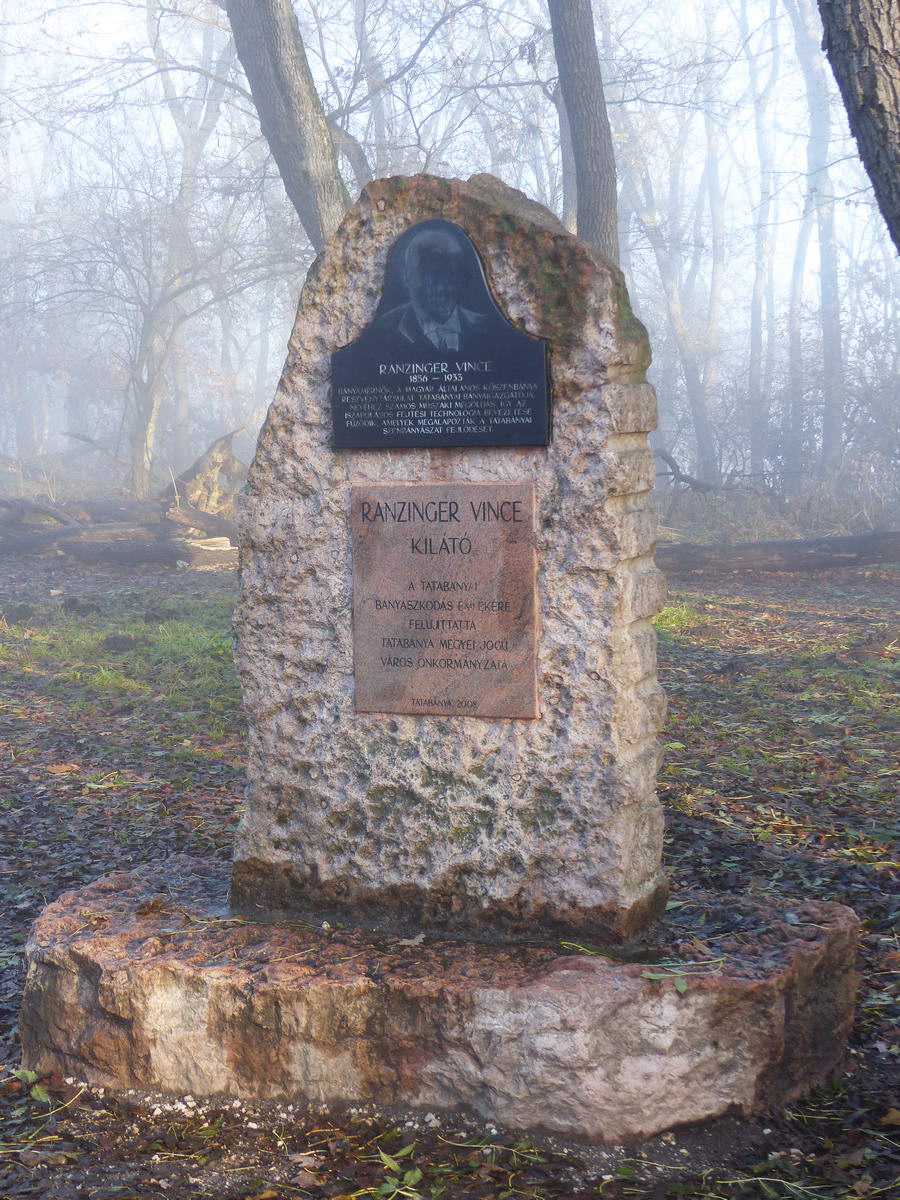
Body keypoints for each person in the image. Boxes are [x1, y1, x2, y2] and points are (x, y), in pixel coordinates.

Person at [372, 226, 489, 355]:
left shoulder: (486, 326)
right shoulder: (384, 328)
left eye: (450, 272)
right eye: (427, 273)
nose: (440, 286)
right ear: (406, 275)